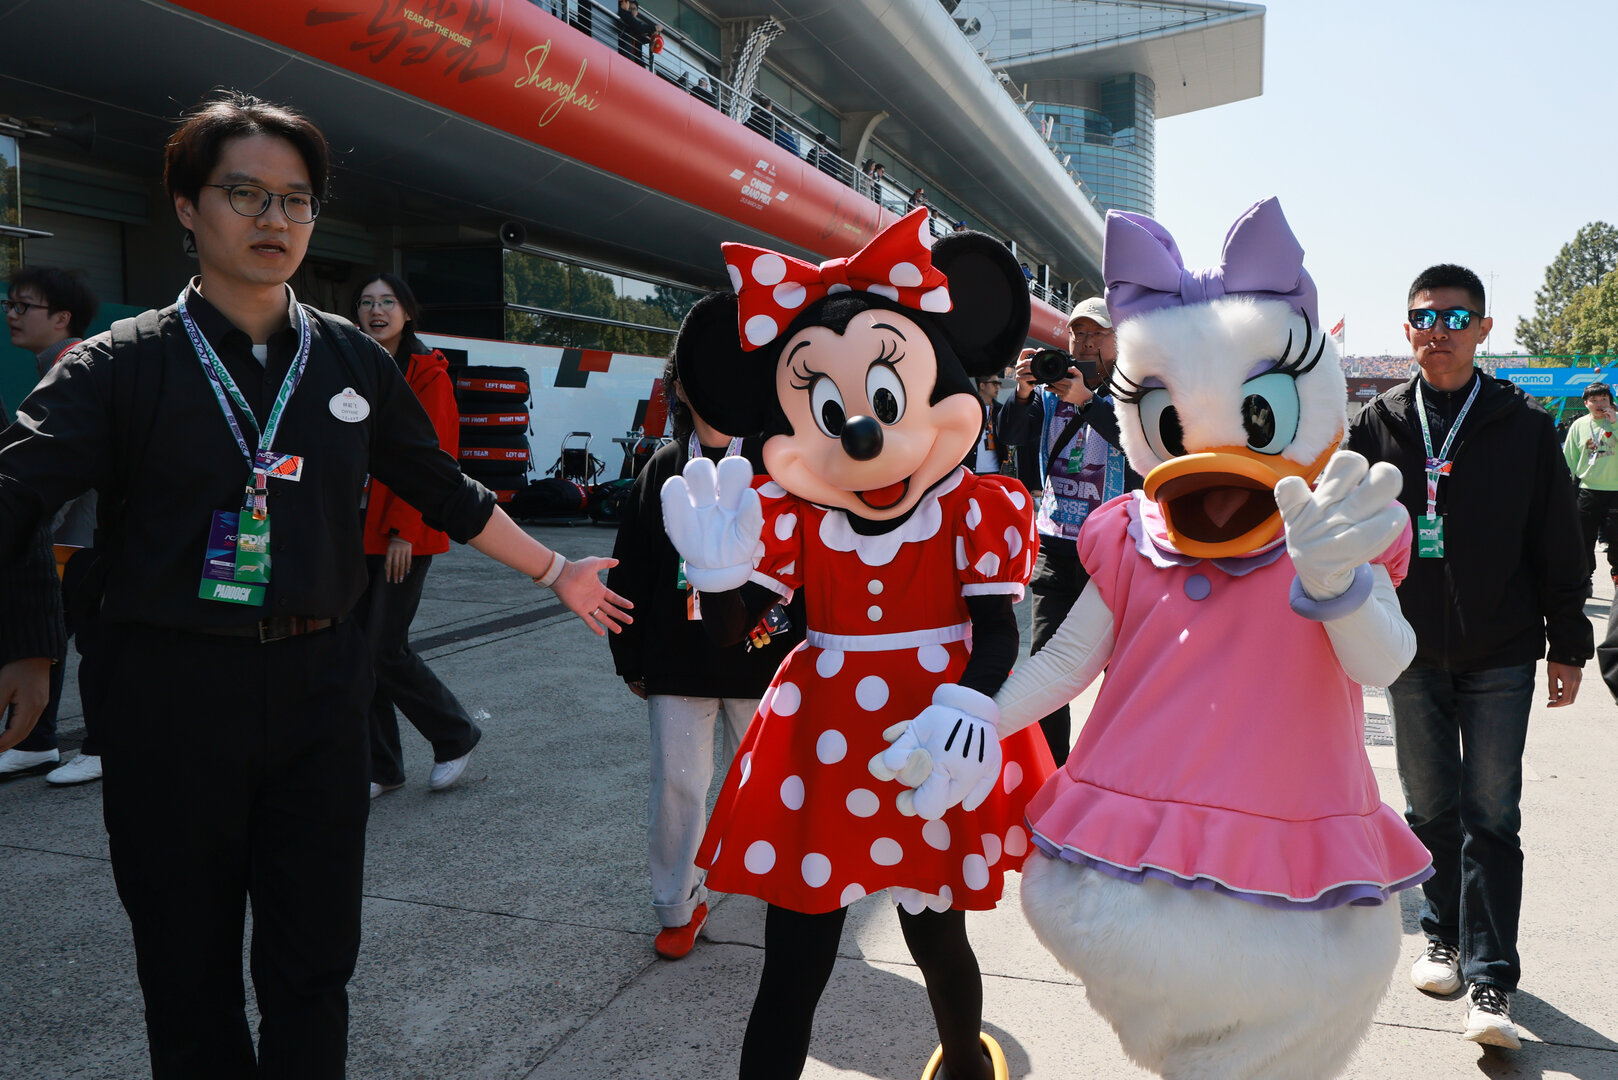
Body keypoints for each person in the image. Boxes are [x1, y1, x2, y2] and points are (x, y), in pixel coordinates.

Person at [0, 90, 630, 1078]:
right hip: (168, 698)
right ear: (184, 205)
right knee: (186, 972)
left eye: (296, 201)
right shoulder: (119, 365)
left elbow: (441, 487)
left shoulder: (347, 359)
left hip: (320, 692)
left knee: (312, 968)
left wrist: (556, 568)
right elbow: (17, 494)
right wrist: (27, 645)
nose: (274, 220)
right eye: (244, 194)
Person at [1346, 263, 1591, 1050]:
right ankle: (1442, 938)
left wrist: (1569, 644)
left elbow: (1558, 540)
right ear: (1406, 327)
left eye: (1456, 318)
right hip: (1409, 651)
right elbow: (1338, 529)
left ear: (1484, 330)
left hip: (1502, 650)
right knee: (1428, 812)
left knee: (1493, 816)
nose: (1438, 331)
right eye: (1424, 316)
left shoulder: (1520, 424)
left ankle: (1492, 980)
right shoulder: (1378, 421)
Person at [606, 357, 803, 960]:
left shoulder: (779, 461)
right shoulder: (664, 464)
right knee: (677, 787)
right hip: (677, 660)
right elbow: (631, 564)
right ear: (681, 386)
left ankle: (792, 900)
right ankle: (676, 904)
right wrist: (629, 656)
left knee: (772, 786)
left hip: (762, 658)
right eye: (693, 376)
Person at [350, 273, 483, 799]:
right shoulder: (349, 363)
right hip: (352, 529)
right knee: (357, 652)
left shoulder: (428, 374)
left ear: (407, 312)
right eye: (365, 302)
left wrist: (404, 529)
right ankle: (380, 766)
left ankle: (455, 733)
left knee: (384, 648)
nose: (376, 311)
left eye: (387, 302)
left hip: (404, 532)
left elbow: (433, 457)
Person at [997, 295, 1141, 763]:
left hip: (1119, 554)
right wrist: (1020, 394)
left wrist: (1088, 401)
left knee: (1122, 672)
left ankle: (1109, 772)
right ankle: (1050, 769)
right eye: (1078, 333)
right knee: (1046, 665)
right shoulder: (1045, 388)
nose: (1085, 341)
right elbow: (1011, 438)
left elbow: (1142, 448)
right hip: (1057, 549)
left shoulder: (1137, 390)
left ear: (1119, 339)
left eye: (1096, 333)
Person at [1, 265, 104, 785]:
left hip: (90, 537)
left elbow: (69, 472)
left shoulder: (76, 367)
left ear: (62, 318)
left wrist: (34, 528)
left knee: (93, 639)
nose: (12, 315)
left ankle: (99, 743)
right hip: (70, 537)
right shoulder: (54, 366)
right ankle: (37, 741)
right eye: (10, 305)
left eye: (24, 306)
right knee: (50, 632)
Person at [1562, 381, 1618, 592]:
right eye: (1593, 400)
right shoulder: (1579, 425)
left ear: (1610, 401)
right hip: (1588, 490)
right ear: (1586, 403)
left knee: (1616, 538)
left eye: (1603, 399)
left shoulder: (1617, 420)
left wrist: (1614, 423)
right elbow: (1569, 458)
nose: (1598, 403)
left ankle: (1616, 575)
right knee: (1584, 539)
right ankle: (1586, 578)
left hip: (1616, 491)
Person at [964, 374, 1005, 474]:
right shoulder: (968, 408)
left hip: (995, 470)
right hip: (970, 470)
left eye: (999, 383)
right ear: (982, 385)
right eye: (994, 383)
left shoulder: (1001, 410)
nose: (998, 387)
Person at [616, 0, 655, 67]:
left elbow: (643, 33)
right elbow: (639, 27)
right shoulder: (624, 15)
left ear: (637, 12)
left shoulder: (636, 25)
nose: (631, 10)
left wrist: (653, 38)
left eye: (633, 9)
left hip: (634, 58)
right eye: (630, 8)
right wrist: (655, 28)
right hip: (626, 54)